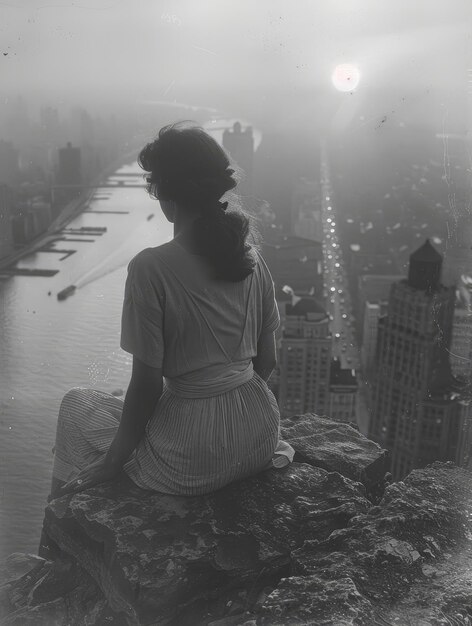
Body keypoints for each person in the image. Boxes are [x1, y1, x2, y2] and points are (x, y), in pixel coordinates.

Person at [48, 121, 294, 502]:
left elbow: (146, 386)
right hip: (260, 433)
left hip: (191, 455)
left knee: (76, 404)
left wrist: (114, 461)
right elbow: (267, 360)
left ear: (163, 193)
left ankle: (56, 539)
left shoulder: (151, 268)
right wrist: (232, 408)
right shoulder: (251, 257)